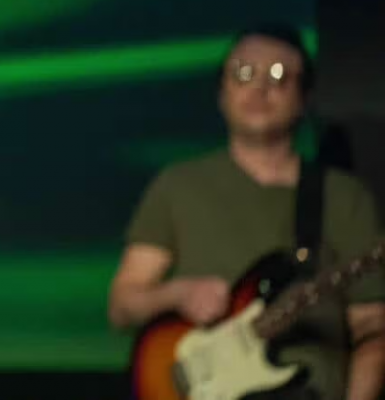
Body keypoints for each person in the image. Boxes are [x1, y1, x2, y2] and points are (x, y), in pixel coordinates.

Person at [108, 24, 385, 400]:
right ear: (221, 91)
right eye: (243, 73)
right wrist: (177, 294)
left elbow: (372, 328)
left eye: (278, 76)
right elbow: (123, 305)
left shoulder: (344, 196)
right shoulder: (178, 184)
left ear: (304, 97)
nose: (259, 88)